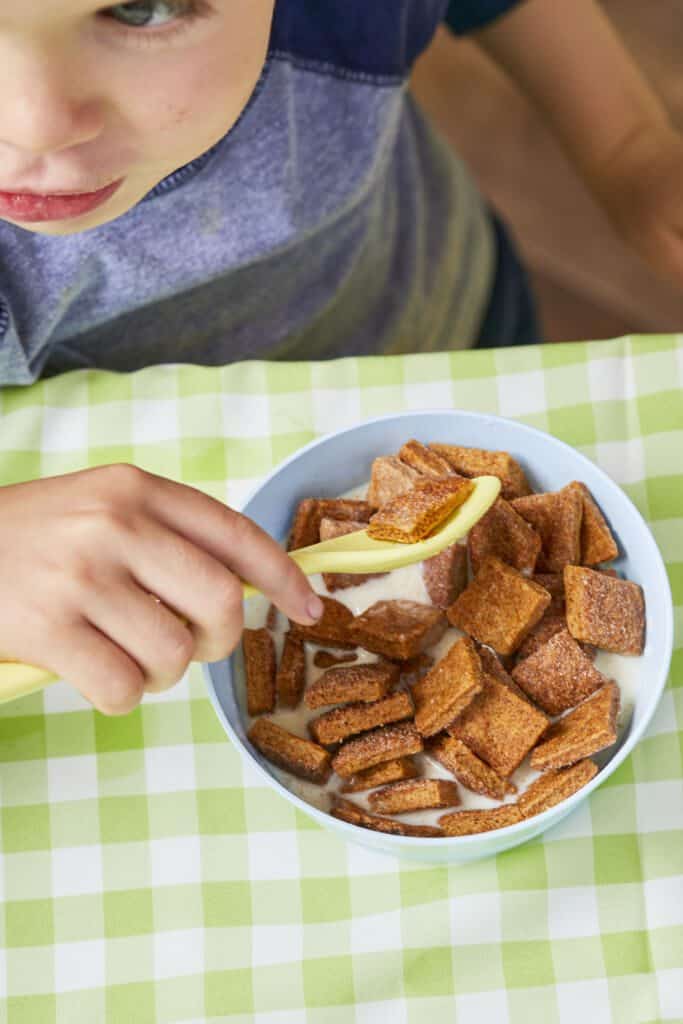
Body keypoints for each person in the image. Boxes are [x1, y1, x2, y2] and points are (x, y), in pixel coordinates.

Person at [0, 0, 681, 714]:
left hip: (457, 325)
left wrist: (626, 146)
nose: (34, 123)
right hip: (187, 520)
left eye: (142, 8)